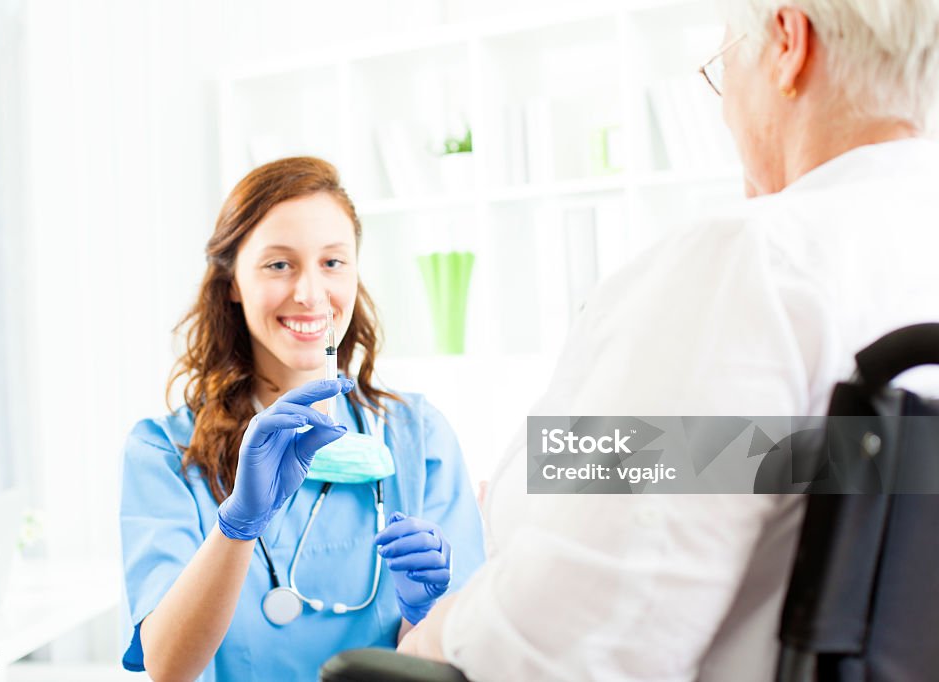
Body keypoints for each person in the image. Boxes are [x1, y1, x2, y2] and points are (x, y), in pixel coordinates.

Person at [397, 1, 939, 680]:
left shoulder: (754, 268)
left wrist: (429, 637)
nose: (723, 111)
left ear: (787, 44)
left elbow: (583, 644)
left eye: (721, 69)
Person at [119, 157, 486, 681]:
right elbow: (167, 668)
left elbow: (456, 661)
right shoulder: (164, 452)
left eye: (333, 262)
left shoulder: (417, 437)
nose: (311, 293)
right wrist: (237, 525)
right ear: (232, 283)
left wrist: (422, 614)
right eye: (278, 264)